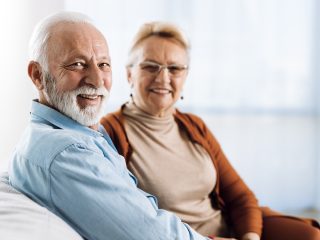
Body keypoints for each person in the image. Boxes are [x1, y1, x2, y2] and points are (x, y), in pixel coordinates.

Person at [100, 21, 320, 240]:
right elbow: (124, 218)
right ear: (129, 74)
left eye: (175, 68)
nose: (163, 78)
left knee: (310, 235)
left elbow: (241, 197)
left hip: (231, 229)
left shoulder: (194, 126)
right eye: (150, 66)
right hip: (183, 238)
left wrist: (249, 237)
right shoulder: (110, 132)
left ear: (185, 77)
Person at [8, 11, 214, 240]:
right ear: (38, 75)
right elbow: (156, 235)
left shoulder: (81, 134)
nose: (97, 80)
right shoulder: (67, 152)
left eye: (103, 64)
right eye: (77, 64)